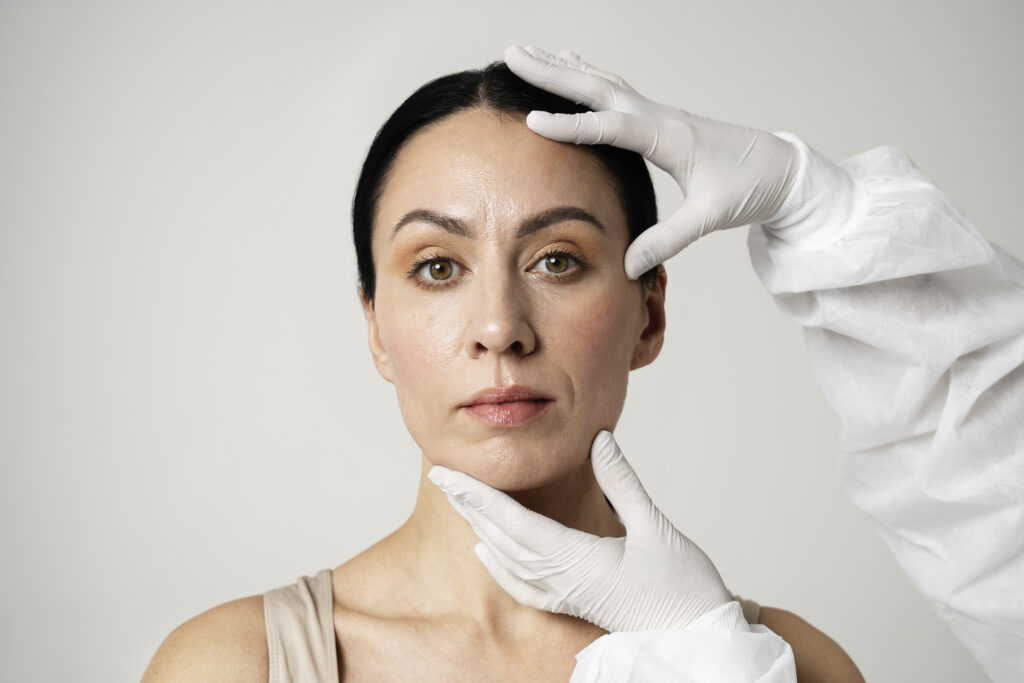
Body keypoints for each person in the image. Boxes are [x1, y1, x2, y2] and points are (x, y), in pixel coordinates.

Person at [140, 44, 1022, 681]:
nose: (499, 328)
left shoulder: (788, 664)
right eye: (438, 268)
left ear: (651, 313)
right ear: (376, 328)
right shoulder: (231, 665)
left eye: (556, 259)